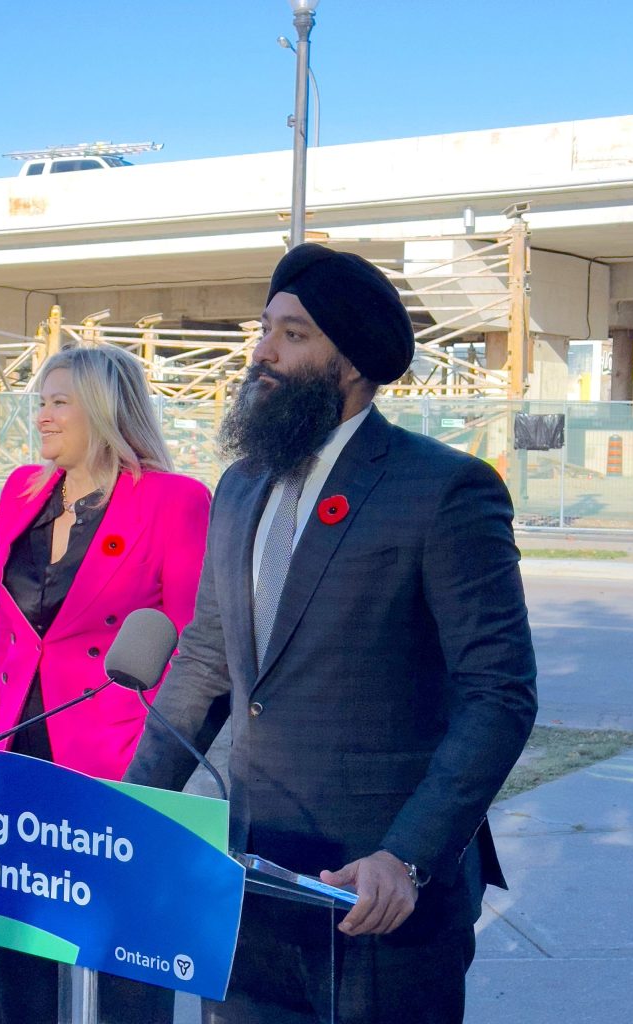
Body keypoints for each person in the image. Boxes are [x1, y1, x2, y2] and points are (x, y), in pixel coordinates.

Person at [124, 244, 538, 1024]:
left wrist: (408, 855)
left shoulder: (443, 489)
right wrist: (131, 811)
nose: (263, 352)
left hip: (379, 897)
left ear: (349, 361)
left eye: (293, 335)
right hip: (250, 885)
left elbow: (500, 694)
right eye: (265, 329)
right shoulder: (242, 484)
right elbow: (207, 662)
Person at [0, 343, 210, 1024]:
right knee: (15, 945)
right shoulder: (20, 493)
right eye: (40, 401)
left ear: (102, 408)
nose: (41, 416)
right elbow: (1, 638)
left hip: (118, 762)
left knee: (123, 959)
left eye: (58, 401)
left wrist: (150, 764)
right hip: (16, 754)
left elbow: (190, 647)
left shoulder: (175, 501)